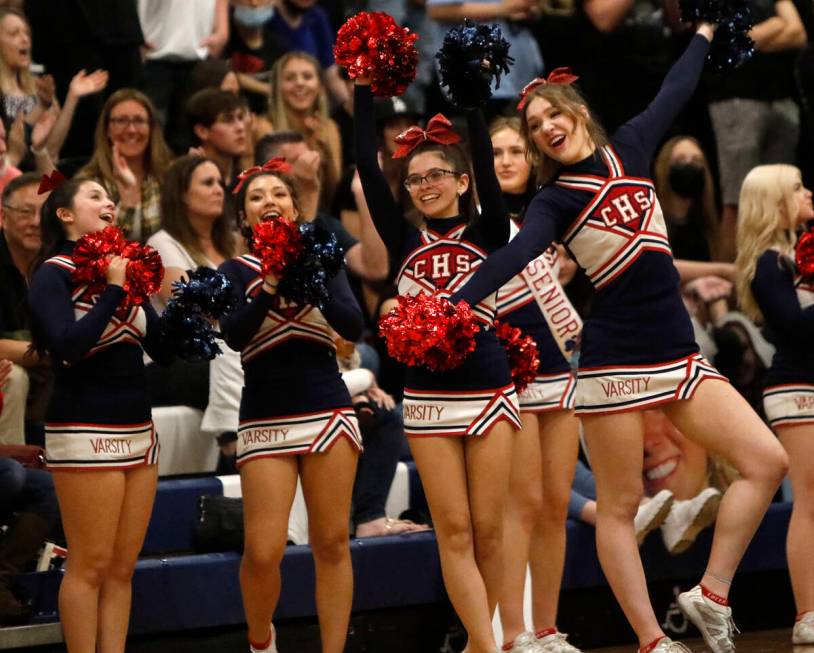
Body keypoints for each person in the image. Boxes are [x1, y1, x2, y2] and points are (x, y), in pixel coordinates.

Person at [449, 24, 789, 653]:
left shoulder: (630, 146)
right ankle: (653, 641)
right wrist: (458, 300)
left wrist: (706, 31)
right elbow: (517, 251)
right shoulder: (553, 199)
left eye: (555, 114)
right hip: (613, 362)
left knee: (766, 461)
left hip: (678, 352)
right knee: (619, 505)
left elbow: (677, 87)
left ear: (578, 114)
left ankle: (711, 594)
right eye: (536, 126)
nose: (548, 128)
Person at [353, 74, 521, 653]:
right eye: (416, 178)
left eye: (436, 175)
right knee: (453, 532)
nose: (425, 185)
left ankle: (484, 641)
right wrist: (360, 89)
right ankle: (486, 644)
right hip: (427, 401)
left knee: (491, 531)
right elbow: (366, 167)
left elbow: (495, 182)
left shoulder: (490, 231)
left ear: (463, 179)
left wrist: (474, 102)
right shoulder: (403, 241)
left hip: (491, 390)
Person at [218, 162, 364, 653]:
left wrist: (310, 277)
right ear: (244, 218)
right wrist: (273, 283)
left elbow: (353, 324)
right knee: (263, 551)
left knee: (331, 542)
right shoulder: (232, 272)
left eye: (279, 193)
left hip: (326, 407)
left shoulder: (324, 261)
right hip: (264, 414)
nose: (269, 201)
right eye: (257, 197)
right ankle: (262, 642)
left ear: (297, 209)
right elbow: (236, 333)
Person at [27, 177, 172, 652]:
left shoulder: (124, 270)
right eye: (94, 195)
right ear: (64, 214)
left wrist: (183, 308)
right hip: (84, 428)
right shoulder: (53, 272)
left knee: (122, 567)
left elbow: (163, 351)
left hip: (139, 429)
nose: (108, 202)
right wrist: (112, 290)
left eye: (110, 197)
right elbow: (67, 347)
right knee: (89, 565)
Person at [489, 115, 583, 653]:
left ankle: (547, 629)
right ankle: (512, 631)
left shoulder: (557, 216)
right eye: (496, 152)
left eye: (515, 152)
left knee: (553, 505)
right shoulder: (479, 224)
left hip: (560, 371)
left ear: (532, 161)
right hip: (511, 376)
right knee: (520, 505)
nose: (505, 160)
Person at [734, 164, 814, 646]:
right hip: (797, 388)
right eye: (798, 187)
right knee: (810, 499)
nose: (809, 193)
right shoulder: (769, 262)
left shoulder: (800, 255)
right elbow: (797, 329)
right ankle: (807, 612)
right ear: (776, 201)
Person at [145, 155, 236, 410]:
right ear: (182, 194)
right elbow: (191, 311)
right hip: (175, 363)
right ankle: (230, 442)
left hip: (223, 354)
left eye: (220, 182)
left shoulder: (232, 245)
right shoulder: (161, 243)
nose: (219, 189)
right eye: (208, 183)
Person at [80, 89, 173, 243]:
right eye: (121, 120)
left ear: (151, 128)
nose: (131, 129)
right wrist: (128, 203)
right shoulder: (87, 183)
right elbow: (99, 246)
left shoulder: (169, 176)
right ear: (107, 130)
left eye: (139, 120)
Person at [0, 173, 51, 444]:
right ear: (2, 217)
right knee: (14, 377)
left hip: (44, 369)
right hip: (10, 370)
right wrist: (49, 352)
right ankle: (13, 474)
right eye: (25, 212)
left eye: (43, 213)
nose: (35, 222)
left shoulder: (57, 262)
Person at [268, 52, 342, 210]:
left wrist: (324, 149)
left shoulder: (329, 127)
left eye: (307, 77)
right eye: (290, 78)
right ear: (277, 86)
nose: (299, 83)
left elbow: (336, 194)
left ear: (320, 86)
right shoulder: (264, 127)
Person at [187, 88, 248, 189]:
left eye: (240, 118)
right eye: (228, 120)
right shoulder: (187, 180)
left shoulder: (246, 177)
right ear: (202, 131)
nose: (240, 127)